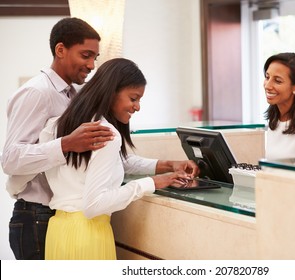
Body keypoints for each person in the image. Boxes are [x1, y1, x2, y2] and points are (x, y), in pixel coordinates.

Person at [39, 58, 199, 260]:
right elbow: (94, 205)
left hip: (58, 234)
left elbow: (112, 162)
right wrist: (153, 183)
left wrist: (166, 165)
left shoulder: (57, 125)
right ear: (111, 92)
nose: (138, 107)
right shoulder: (107, 135)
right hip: (89, 236)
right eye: (134, 98)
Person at [1, 17, 116, 260]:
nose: (92, 65)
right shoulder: (37, 92)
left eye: (95, 57)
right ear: (60, 50)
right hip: (35, 216)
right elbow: (10, 159)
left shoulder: (72, 95)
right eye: (86, 55)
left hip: (58, 216)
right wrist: (66, 144)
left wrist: (159, 166)